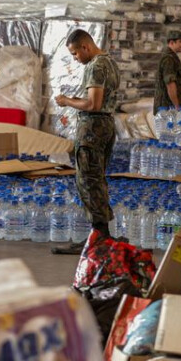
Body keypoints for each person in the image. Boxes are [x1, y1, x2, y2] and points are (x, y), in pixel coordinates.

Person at [53, 29, 119, 254]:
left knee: (88, 180)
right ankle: (101, 235)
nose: (75, 58)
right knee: (96, 178)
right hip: (105, 126)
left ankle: (99, 236)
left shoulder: (96, 66)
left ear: (85, 47)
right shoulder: (109, 62)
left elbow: (93, 105)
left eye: (74, 53)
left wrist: (66, 101)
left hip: (93, 127)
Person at [154, 31, 181, 111]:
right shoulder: (168, 59)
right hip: (168, 108)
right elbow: (170, 85)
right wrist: (177, 106)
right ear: (172, 42)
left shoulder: (171, 57)